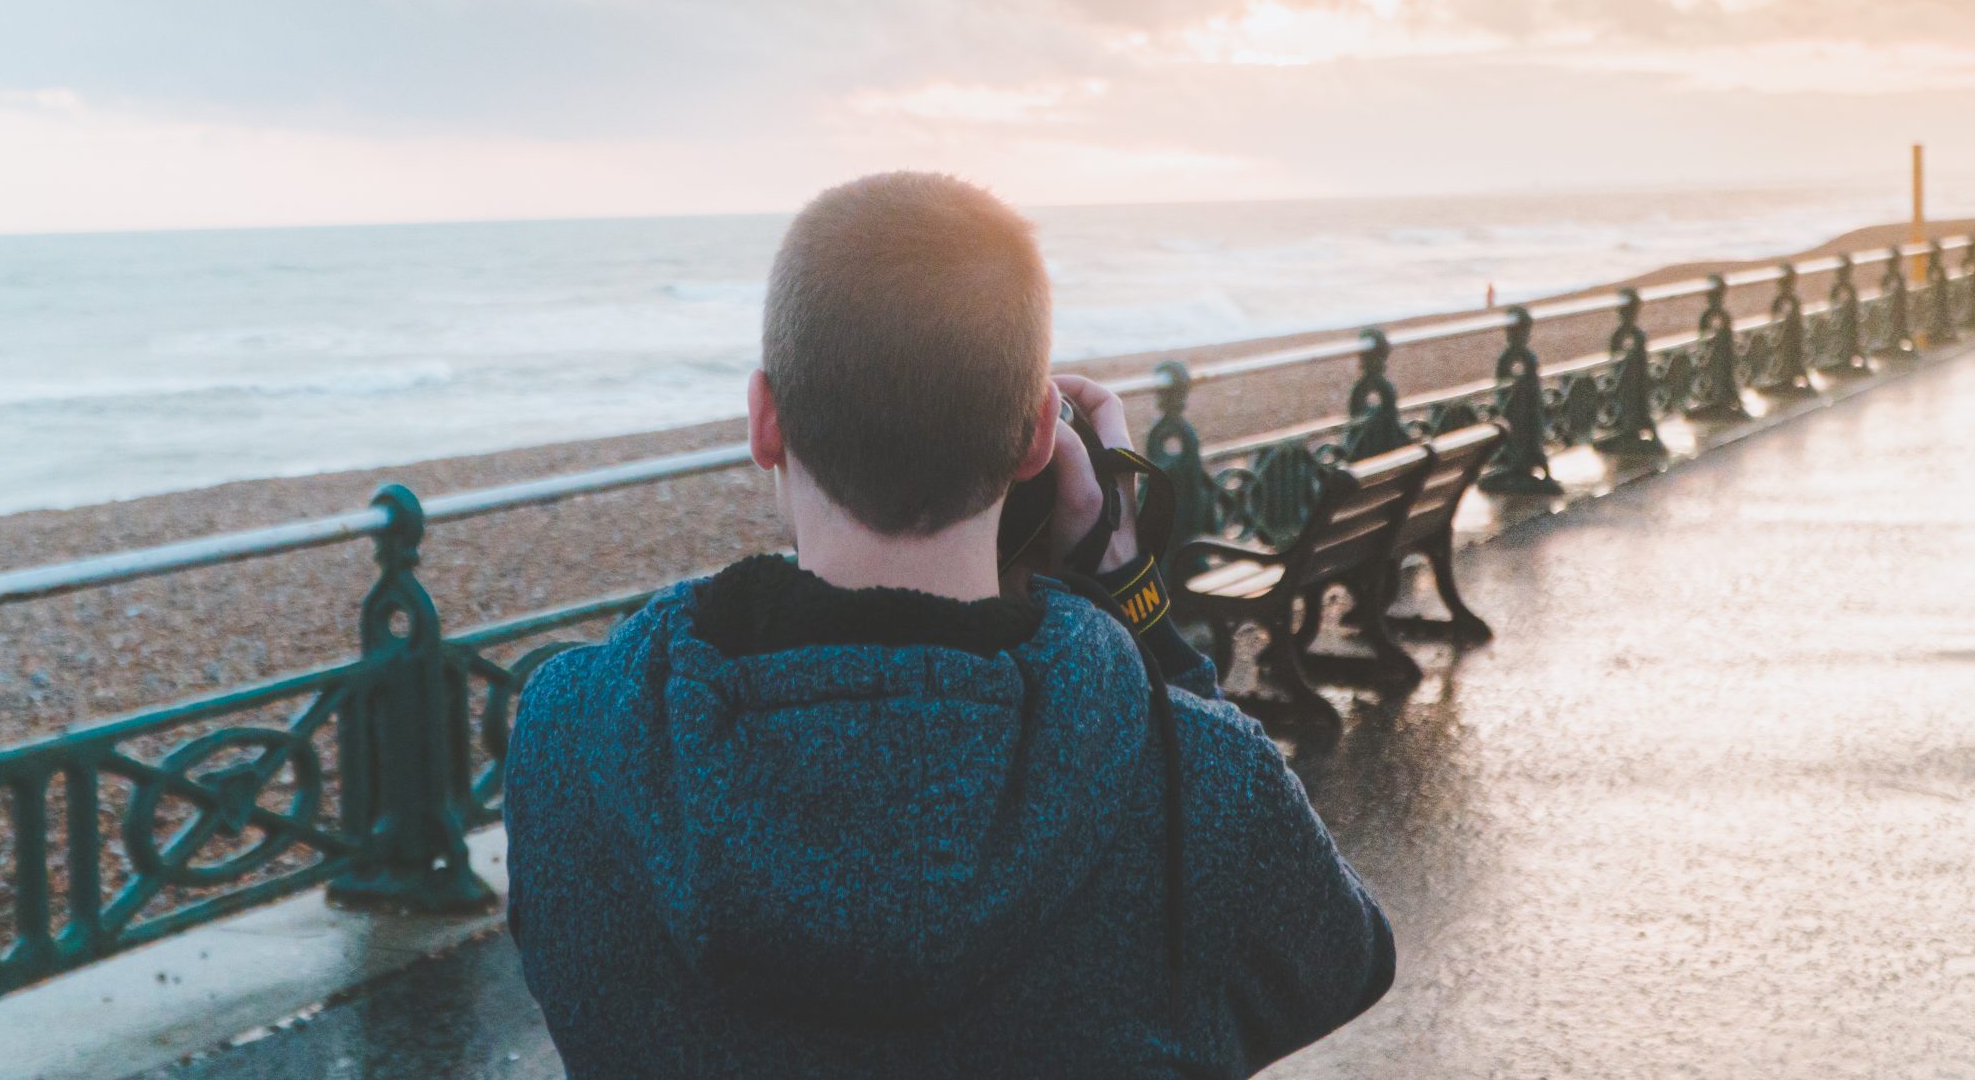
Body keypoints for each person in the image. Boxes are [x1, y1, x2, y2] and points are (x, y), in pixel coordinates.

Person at [505, 173, 1393, 1078]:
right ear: (1039, 437)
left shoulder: (569, 740)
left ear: (766, 420)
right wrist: (1132, 595)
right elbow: (1345, 958)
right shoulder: (1195, 778)